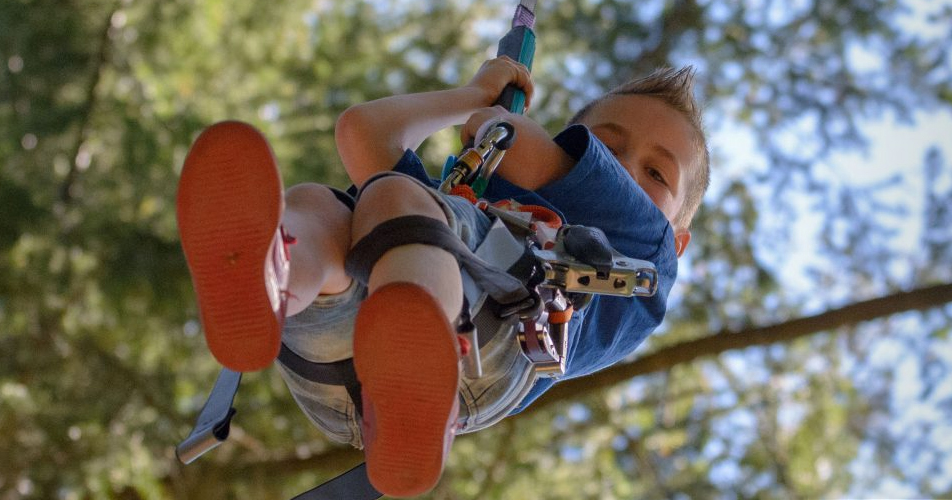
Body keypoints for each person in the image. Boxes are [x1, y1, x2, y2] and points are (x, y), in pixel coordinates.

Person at [175, 56, 710, 497]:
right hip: (343, 366)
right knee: (322, 206)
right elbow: (362, 131)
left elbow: (521, 149)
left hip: (491, 347)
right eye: (607, 146)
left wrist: (494, 127)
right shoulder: (454, 205)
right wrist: (473, 94)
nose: (623, 169)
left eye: (657, 173)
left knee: (389, 196)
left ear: (679, 238)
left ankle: (418, 345)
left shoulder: (647, 260)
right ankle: (275, 276)